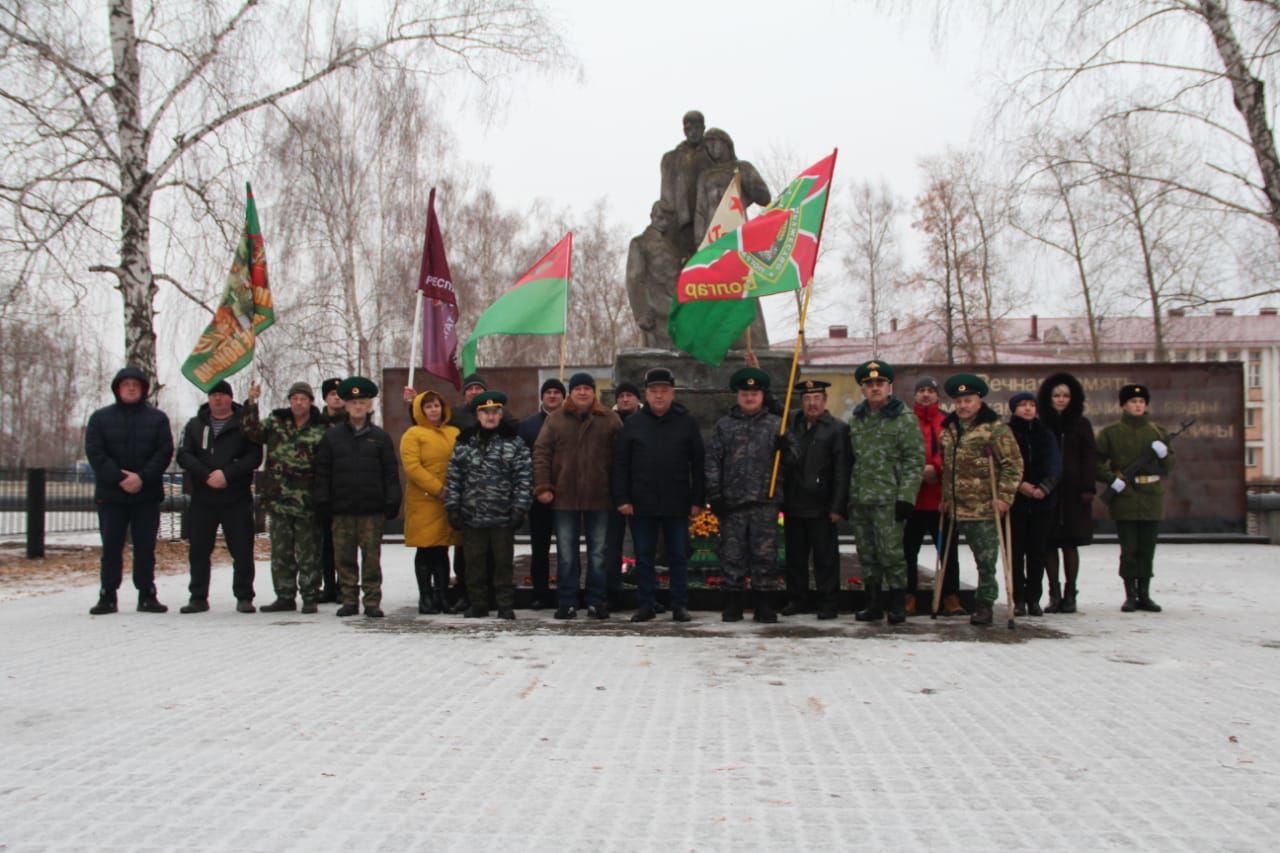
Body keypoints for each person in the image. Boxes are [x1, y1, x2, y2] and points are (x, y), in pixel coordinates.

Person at [613, 367, 705, 623]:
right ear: (646, 394)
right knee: (644, 558)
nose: (659, 396)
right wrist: (622, 498)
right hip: (641, 503)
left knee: (677, 556)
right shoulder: (633, 424)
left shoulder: (686, 423)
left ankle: (679, 606)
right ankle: (646, 605)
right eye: (654, 391)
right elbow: (621, 464)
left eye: (664, 391)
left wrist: (698, 499)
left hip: (677, 502)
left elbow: (698, 463)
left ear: (672, 393)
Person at [706, 367, 795, 623]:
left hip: (764, 502)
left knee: (764, 555)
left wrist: (786, 448)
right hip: (732, 502)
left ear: (762, 395)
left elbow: (794, 461)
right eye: (745, 392)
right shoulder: (725, 425)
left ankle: (763, 604)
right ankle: (733, 603)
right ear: (738, 395)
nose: (749, 397)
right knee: (732, 554)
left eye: (754, 393)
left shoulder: (776, 425)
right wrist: (715, 494)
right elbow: (713, 461)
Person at [85, 366, 174, 615]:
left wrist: (142, 478)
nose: (131, 388)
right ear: (117, 388)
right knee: (111, 547)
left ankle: (147, 594)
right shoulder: (100, 418)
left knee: (145, 547)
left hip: (146, 495)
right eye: (126, 384)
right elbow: (95, 452)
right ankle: (107, 595)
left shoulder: (157, 419)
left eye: (136, 384)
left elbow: (164, 451)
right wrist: (119, 477)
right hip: (111, 495)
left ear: (144, 389)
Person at [533, 372, 622, 620]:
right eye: (578, 388)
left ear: (594, 392)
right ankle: (567, 601)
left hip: (600, 497)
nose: (582, 392)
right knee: (566, 552)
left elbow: (621, 459)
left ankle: (596, 601)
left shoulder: (610, 419)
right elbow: (541, 454)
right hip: (564, 497)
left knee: (598, 553)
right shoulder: (555, 420)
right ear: (570, 393)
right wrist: (543, 486)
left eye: (587, 388)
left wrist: (619, 492)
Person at [312, 377, 402, 618]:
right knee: (345, 559)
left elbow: (391, 473)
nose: (358, 407)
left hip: (371, 509)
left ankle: (372, 600)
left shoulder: (380, 437)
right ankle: (349, 599)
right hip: (342, 509)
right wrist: (322, 501)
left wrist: (392, 501)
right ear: (346, 406)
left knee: (371, 559)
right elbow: (322, 472)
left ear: (370, 405)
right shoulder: (332, 437)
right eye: (353, 402)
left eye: (362, 402)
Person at [939, 374, 1023, 626]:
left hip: (984, 506)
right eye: (959, 401)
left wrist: (1005, 497)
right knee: (952, 558)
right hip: (956, 506)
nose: (963, 405)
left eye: (968, 400)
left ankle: (984, 604)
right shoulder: (950, 429)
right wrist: (945, 497)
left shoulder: (995, 429)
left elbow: (1013, 465)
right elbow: (948, 468)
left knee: (985, 561)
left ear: (979, 401)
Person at [176, 380, 263, 614]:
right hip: (204, 497)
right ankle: (198, 596)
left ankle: (244, 595)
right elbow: (184, 455)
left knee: (242, 549)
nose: (218, 399)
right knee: (199, 549)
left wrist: (227, 474)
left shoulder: (244, 424)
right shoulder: (195, 425)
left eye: (223, 395)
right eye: (214, 395)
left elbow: (254, 456)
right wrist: (206, 475)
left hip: (236, 496)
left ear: (230, 398)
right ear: (208, 398)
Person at [846, 361, 923, 625]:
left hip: (889, 500)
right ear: (863, 389)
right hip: (861, 499)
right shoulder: (857, 419)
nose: (875, 388)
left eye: (880, 384)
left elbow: (915, 460)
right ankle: (873, 604)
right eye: (869, 384)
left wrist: (906, 497)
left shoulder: (904, 418)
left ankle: (897, 604)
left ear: (889, 387)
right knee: (867, 554)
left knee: (891, 554)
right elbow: (852, 459)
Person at [242, 380, 328, 614]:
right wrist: (251, 403)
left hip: (307, 501)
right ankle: (284, 595)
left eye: (303, 398)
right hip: (278, 499)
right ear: (289, 401)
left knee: (309, 551)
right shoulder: (276, 422)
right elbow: (251, 432)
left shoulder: (321, 428)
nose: (298, 402)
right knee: (281, 552)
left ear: (311, 402)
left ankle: (310, 595)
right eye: (294, 398)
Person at [444, 391, 532, 620]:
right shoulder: (465, 441)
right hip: (472, 516)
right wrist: (452, 507)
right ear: (477, 415)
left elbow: (523, 477)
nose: (490, 417)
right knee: (474, 566)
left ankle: (504, 605)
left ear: (501, 414)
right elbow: (454, 477)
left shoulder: (514, 442)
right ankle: (478, 605)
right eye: (485, 412)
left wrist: (520, 508)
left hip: (503, 516)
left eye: (495, 412)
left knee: (503, 564)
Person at [1095, 383, 1175, 613]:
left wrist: (1164, 453)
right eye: (1132, 402)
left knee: (1147, 549)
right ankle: (1130, 594)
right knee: (1129, 549)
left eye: (1141, 402)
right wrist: (1112, 479)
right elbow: (1096, 462)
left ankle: (1145, 594)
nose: (1137, 405)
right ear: (1123, 405)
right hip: (1126, 496)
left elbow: (1169, 465)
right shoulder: (1111, 433)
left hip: (1151, 497)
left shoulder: (1157, 432)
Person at [780, 378, 850, 620]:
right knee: (795, 557)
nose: (812, 403)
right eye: (807, 399)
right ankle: (797, 599)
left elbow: (842, 469)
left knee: (825, 558)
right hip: (794, 502)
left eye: (817, 398)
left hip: (822, 506)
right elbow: (767, 403)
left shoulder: (837, 428)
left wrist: (837, 505)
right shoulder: (791, 424)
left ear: (825, 401)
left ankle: (828, 602)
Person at [1037, 372, 1097, 613]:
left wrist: (1087, 486)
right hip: (1048, 491)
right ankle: (1054, 593)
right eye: (1056, 396)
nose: (1061, 400)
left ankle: (1071, 593)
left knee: (1070, 544)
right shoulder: (1041, 423)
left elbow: (1089, 457)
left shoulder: (1081, 424)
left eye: (1065, 396)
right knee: (1049, 544)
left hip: (1074, 493)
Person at [903, 376, 964, 617]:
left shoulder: (949, 422)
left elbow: (955, 452)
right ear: (915, 395)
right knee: (908, 553)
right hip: (913, 501)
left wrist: (936, 468)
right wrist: (919, 468)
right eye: (921, 391)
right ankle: (909, 596)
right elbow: (902, 451)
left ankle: (951, 597)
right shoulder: (907, 422)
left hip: (941, 500)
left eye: (930, 390)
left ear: (938, 396)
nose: (926, 395)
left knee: (948, 553)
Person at [401, 390, 462, 615]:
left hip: (449, 501)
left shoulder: (454, 432)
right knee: (426, 550)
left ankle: (442, 596)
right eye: (428, 407)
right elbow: (412, 467)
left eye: (436, 405)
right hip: (425, 502)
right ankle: (425, 597)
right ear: (420, 410)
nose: (433, 410)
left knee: (443, 551)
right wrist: (438, 489)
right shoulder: (413, 434)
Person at [1007, 391, 1061, 617]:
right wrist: (1020, 485)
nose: (1028, 409)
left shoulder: (1046, 433)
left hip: (1042, 502)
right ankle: (1018, 598)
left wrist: (1044, 487)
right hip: (1016, 502)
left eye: (1031, 405)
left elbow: (1055, 464)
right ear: (1014, 409)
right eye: (1022, 405)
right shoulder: (1007, 433)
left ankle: (1034, 599)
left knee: (1037, 553)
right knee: (1016, 553)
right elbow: (1004, 464)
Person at [517, 378, 566, 609]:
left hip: (568, 497)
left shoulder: (572, 421)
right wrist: (535, 489)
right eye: (549, 392)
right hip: (539, 497)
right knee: (540, 549)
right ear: (542, 396)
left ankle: (567, 593)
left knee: (568, 548)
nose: (553, 396)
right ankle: (540, 594)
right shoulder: (528, 425)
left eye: (557, 392)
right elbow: (523, 461)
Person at [606, 380, 643, 608]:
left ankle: (645, 595)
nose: (625, 399)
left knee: (644, 547)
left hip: (642, 493)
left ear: (638, 399)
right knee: (611, 547)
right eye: (621, 396)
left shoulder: (647, 421)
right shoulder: (608, 422)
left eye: (630, 395)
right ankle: (612, 594)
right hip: (612, 494)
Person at [659, 109, 712, 256]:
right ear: (684, 130)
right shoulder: (671, 158)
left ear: (703, 128)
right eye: (689, 129)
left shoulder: (713, 155)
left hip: (710, 223)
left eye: (697, 128)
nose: (693, 132)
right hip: (683, 224)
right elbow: (666, 196)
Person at [317, 377, 346, 603]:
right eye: (331, 393)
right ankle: (328, 585)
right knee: (325, 542)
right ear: (325, 398)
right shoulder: (315, 423)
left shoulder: (353, 422)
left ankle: (343, 585)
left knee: (345, 543)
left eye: (339, 393)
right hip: (323, 490)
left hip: (346, 489)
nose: (336, 397)